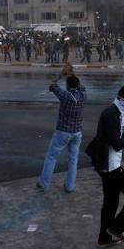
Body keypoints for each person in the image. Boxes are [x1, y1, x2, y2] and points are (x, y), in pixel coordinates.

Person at [86, 84, 124, 248]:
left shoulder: (118, 112)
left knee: (110, 202)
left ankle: (104, 237)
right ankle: (116, 228)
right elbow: (117, 144)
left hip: (107, 166)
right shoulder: (112, 114)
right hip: (110, 167)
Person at [37, 63, 87, 192]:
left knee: (51, 157)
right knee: (73, 159)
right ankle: (69, 186)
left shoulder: (65, 96)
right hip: (77, 132)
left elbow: (52, 85)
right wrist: (71, 73)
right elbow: (79, 84)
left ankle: (44, 184)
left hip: (62, 132)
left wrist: (61, 74)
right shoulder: (83, 95)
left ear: (68, 86)